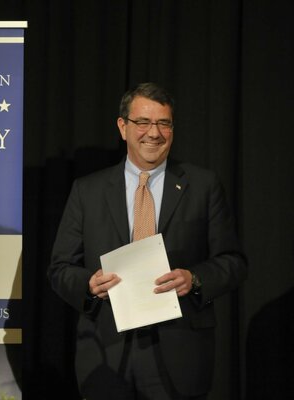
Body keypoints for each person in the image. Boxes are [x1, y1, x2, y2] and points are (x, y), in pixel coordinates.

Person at [48, 83, 247, 399]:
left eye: (163, 123)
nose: (153, 133)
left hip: (180, 351)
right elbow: (60, 269)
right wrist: (89, 284)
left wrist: (194, 278)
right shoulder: (88, 191)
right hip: (106, 350)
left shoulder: (203, 185)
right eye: (143, 122)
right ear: (123, 127)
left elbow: (233, 262)